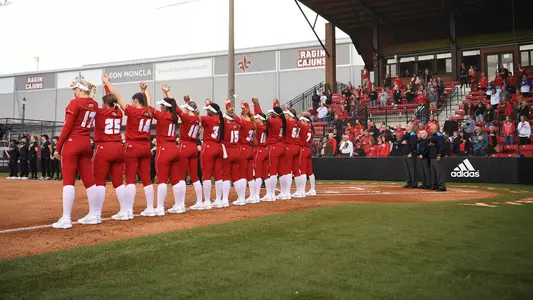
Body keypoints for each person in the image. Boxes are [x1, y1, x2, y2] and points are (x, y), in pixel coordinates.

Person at [103, 76, 155, 219]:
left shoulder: (134, 111)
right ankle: (151, 208)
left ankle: (128, 211)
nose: (131, 102)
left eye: (133, 101)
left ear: (136, 101)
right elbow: (148, 102)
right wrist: (146, 91)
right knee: (147, 180)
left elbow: (117, 96)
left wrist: (107, 82)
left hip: (133, 146)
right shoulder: (149, 112)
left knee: (130, 179)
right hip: (145, 146)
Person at [51, 80, 100, 229]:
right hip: (86, 142)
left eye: (76, 89)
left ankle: (66, 218)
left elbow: (67, 126)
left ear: (80, 89)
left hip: (73, 143)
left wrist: (58, 148)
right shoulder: (95, 104)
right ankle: (94, 215)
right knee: (89, 180)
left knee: (68, 181)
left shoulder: (75, 103)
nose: (74, 91)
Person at [90, 85, 130, 221]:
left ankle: (96, 214)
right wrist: (107, 84)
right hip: (118, 148)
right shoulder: (118, 112)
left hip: (104, 148)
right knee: (118, 182)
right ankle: (125, 211)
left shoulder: (100, 112)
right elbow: (112, 100)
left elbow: (90, 104)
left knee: (99, 182)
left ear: (105, 104)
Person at [199, 99, 225, 208]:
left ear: (212, 111)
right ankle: (218, 200)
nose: (207, 112)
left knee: (206, 174)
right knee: (218, 175)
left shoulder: (208, 119)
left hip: (209, 146)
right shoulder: (221, 119)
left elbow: (196, 118)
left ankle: (208, 201)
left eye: (208, 110)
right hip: (219, 147)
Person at [262, 100, 286, 201]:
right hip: (281, 145)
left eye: (272, 113)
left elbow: (263, 118)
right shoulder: (281, 121)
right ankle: (285, 193)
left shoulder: (273, 121)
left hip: (273, 146)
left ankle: (271, 194)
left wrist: (257, 105)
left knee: (272, 171)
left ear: (275, 114)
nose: (270, 114)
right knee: (281, 171)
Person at [277, 108, 301, 200]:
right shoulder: (297, 123)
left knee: (286, 170)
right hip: (296, 146)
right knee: (295, 170)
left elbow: (281, 119)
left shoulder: (289, 122)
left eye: (287, 114)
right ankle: (300, 191)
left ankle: (286, 192)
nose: (285, 115)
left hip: (289, 146)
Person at [293, 115, 316, 197]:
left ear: (305, 121)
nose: (301, 121)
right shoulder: (311, 130)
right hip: (308, 149)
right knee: (310, 171)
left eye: (302, 120)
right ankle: (313, 189)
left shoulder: (304, 127)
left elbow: (296, 122)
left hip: (302, 149)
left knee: (302, 170)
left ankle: (302, 191)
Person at [251, 98, 268, 201]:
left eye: (257, 118)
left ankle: (256, 195)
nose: (256, 119)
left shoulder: (258, 126)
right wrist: (256, 105)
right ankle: (269, 194)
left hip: (259, 150)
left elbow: (254, 118)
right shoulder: (266, 126)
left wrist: (254, 106)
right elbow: (260, 114)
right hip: (265, 149)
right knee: (266, 174)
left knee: (257, 173)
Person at [428, 125, 446, 191]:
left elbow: (442, 146)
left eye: (432, 129)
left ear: (436, 129)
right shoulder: (432, 136)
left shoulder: (440, 136)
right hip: (432, 156)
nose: (431, 130)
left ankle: (441, 186)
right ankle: (434, 185)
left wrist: (439, 154)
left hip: (437, 156)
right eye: (430, 129)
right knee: (433, 172)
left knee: (439, 172)